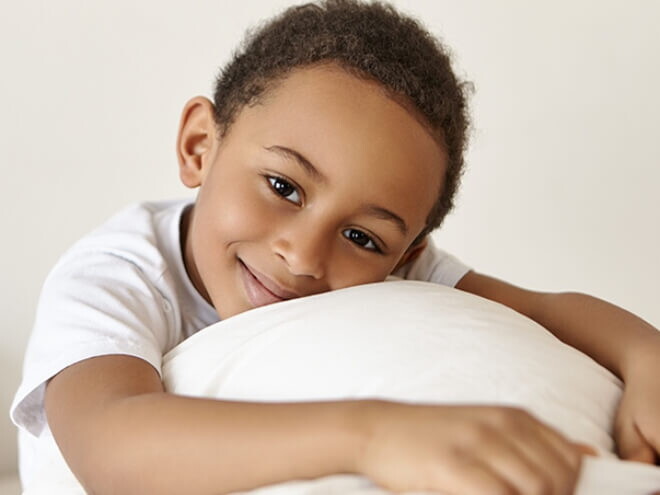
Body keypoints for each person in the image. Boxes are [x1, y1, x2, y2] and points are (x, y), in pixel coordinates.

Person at [11, 1, 660, 494]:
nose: (302, 253)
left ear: (406, 256)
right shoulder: (117, 272)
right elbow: (108, 444)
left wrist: (647, 355)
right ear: (199, 146)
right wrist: (373, 433)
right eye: (283, 185)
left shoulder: (390, 271)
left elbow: (547, 308)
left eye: (361, 236)